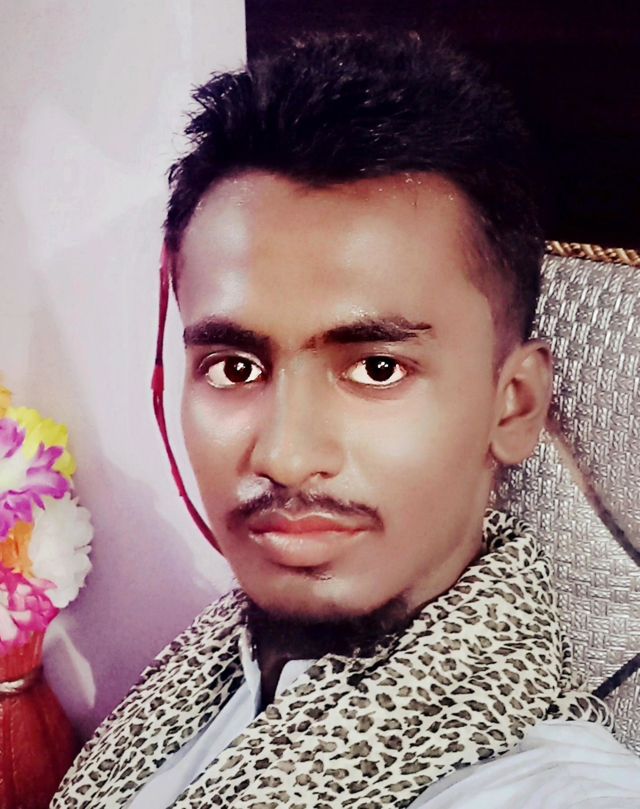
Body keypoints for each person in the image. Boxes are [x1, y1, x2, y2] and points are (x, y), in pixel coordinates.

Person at [53, 33, 640, 808]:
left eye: (377, 369)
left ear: (516, 404)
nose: (286, 454)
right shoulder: (192, 683)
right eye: (235, 367)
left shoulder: (557, 787)